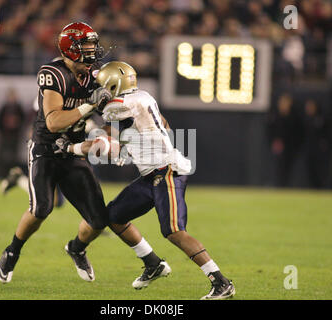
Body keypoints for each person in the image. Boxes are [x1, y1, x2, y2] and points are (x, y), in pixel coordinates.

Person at [0, 23, 168, 287]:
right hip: (45, 149)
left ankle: (76, 248)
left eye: (92, 46)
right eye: (86, 47)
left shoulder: (95, 77)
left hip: (73, 151)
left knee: (99, 219)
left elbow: (114, 113)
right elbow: (53, 122)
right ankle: (12, 251)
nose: (92, 52)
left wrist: (122, 135)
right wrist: (90, 104)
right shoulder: (53, 73)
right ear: (70, 49)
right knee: (42, 208)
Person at [57, 61, 235, 300]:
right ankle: (153, 264)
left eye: (101, 84)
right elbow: (164, 124)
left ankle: (220, 282)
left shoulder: (115, 106)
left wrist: (71, 146)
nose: (98, 88)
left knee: (173, 231)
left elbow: (104, 144)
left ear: (112, 85)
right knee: (115, 217)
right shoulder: (143, 97)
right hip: (151, 173)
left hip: (166, 171)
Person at [0, 88, 25, 178]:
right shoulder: (4, 107)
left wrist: (18, 127)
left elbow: (23, 120)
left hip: (15, 135)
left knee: (14, 157)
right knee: (2, 156)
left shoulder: (18, 108)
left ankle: (14, 175)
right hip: (5, 135)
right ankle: (2, 174)